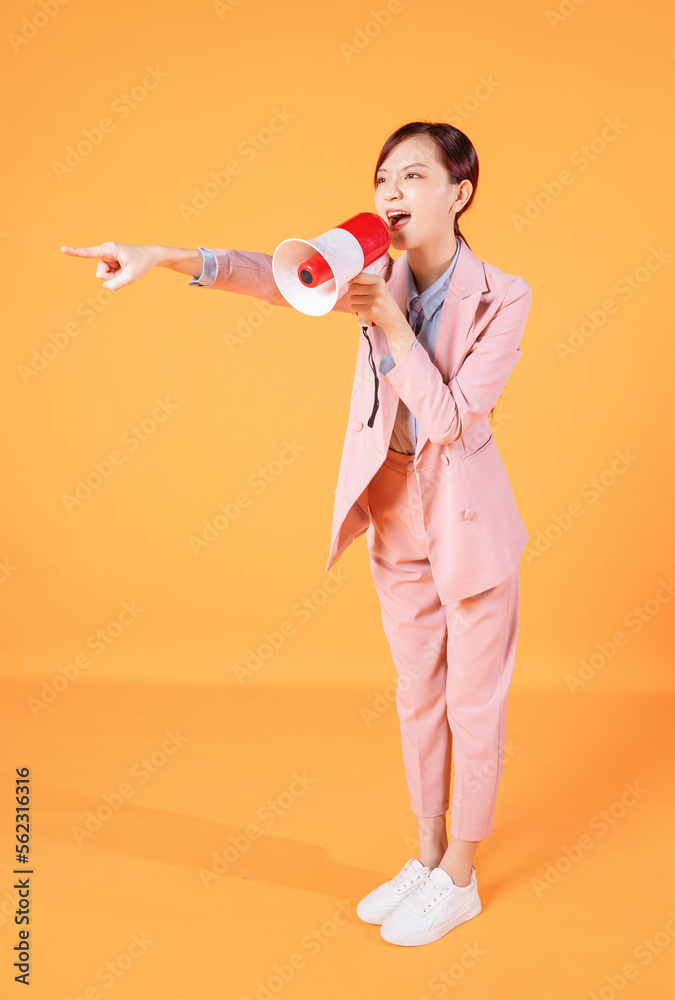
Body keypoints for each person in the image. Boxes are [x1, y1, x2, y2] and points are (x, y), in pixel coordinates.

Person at [60, 120, 532, 949]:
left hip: (466, 525)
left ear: (459, 195)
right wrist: (167, 257)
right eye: (383, 177)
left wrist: (388, 322)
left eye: (413, 177)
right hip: (391, 511)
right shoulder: (370, 264)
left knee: (471, 704)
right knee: (417, 694)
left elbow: (454, 420)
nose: (390, 193)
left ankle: (459, 877)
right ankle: (424, 860)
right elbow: (272, 277)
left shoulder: (504, 297)